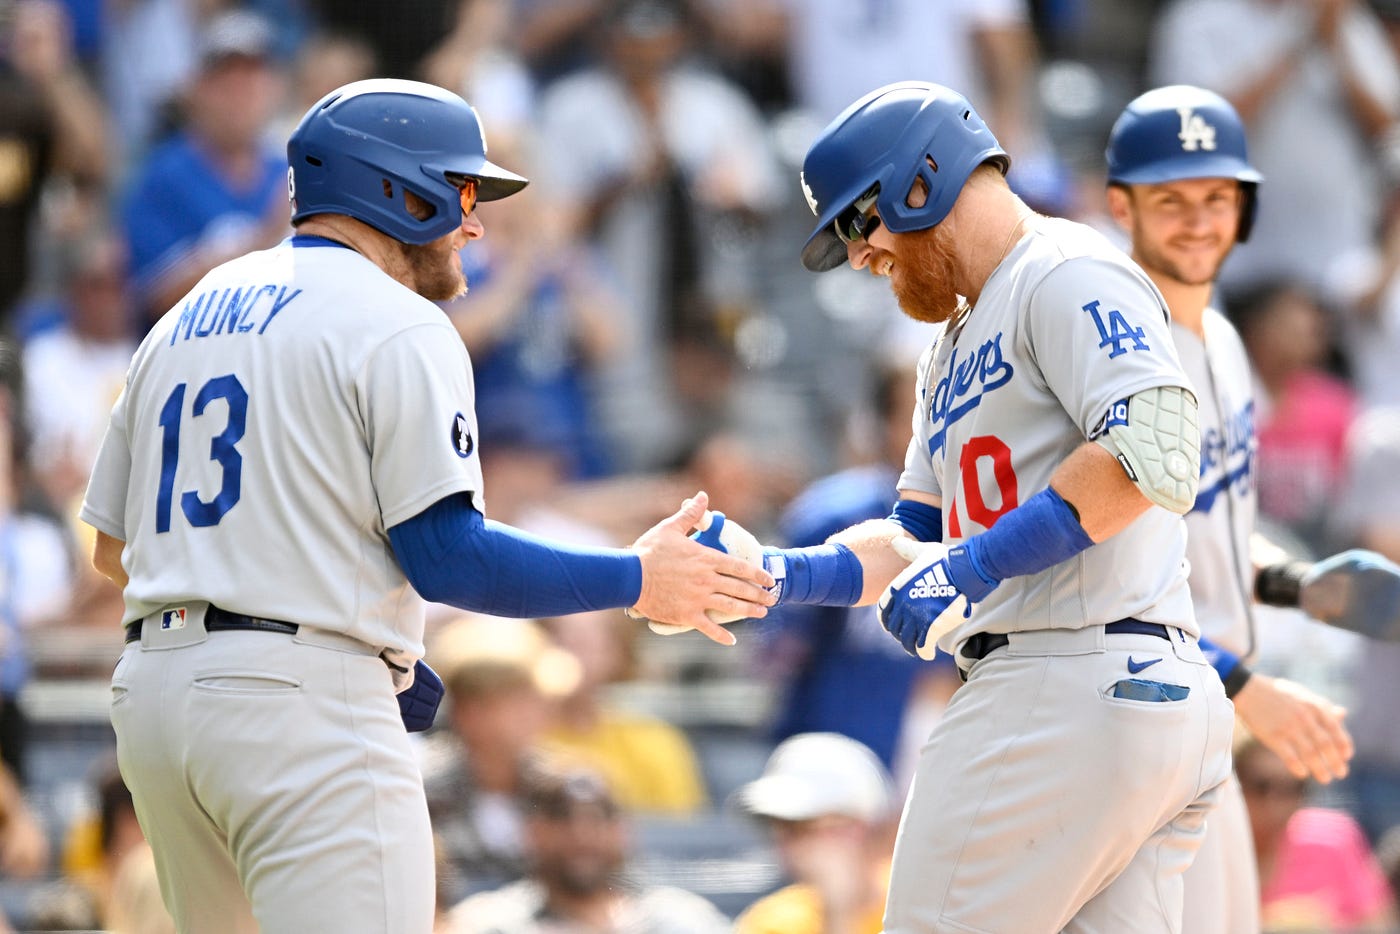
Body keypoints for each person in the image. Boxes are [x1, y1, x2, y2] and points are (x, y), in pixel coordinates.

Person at [79, 78, 775, 933]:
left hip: (156, 700)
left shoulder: (180, 319)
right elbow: (449, 555)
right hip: (299, 707)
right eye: (462, 191)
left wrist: (294, 604)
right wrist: (640, 578)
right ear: (394, 191)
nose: (475, 223)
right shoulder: (396, 320)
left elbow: (112, 552)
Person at [695, 80, 1234, 931]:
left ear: (922, 182)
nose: (861, 257)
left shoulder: (1063, 268)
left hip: (1061, 682)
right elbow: (915, 540)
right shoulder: (947, 347)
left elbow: (1153, 450)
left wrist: (977, 563)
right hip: (1120, 697)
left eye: (856, 223)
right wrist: (773, 572)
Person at [1103, 83, 1357, 934]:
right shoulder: (1113, 352)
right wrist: (1253, 690)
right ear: (1119, 205)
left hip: (1206, 717)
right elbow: (1119, 586)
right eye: (1168, 199)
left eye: (1217, 198)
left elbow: (1206, 535)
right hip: (1135, 715)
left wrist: (1291, 582)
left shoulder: (1224, 341)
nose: (1196, 220)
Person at [442, 763, 731, 933]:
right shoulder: (489, 923)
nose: (582, 834)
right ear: (532, 831)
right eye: (561, 816)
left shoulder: (679, 918)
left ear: (623, 829)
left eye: (600, 816)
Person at [420, 614, 581, 902]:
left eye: (536, 697)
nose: (535, 711)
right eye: (516, 698)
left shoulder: (567, 787)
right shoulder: (419, 787)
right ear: (468, 709)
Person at [732, 732, 898, 934]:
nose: (790, 845)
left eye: (807, 828)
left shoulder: (927, 901)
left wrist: (840, 908)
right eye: (782, 827)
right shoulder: (772, 922)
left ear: (863, 828)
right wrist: (837, 912)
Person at [1237, 733, 1399, 932]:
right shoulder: (1212, 853)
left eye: (1294, 787)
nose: (1277, 802)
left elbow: (1379, 924)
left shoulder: (1334, 838)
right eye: (1261, 786)